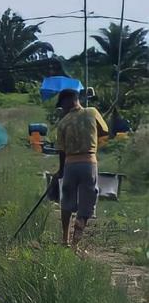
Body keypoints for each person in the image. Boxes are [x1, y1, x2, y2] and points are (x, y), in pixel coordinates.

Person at [54, 89, 109, 248]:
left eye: (62, 104)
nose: (62, 108)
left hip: (70, 165)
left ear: (68, 100)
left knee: (67, 202)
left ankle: (65, 239)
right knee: (86, 203)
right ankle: (75, 244)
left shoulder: (63, 123)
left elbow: (61, 150)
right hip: (88, 163)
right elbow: (104, 131)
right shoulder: (92, 112)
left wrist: (61, 170)